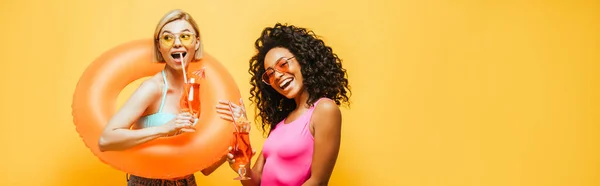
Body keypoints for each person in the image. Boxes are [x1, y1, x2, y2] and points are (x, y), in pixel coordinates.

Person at [97, 9, 224, 186]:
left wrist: (230, 148)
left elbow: (204, 169)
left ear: (196, 43)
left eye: (185, 36)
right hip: (148, 182)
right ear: (159, 46)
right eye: (167, 38)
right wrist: (164, 129)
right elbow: (106, 140)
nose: (177, 44)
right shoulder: (153, 88)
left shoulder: (197, 92)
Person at [217, 23, 351, 186]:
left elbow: (318, 181)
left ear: (303, 61)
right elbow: (255, 182)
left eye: (283, 64)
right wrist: (241, 167)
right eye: (270, 74)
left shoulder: (324, 109)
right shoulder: (281, 124)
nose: (278, 76)